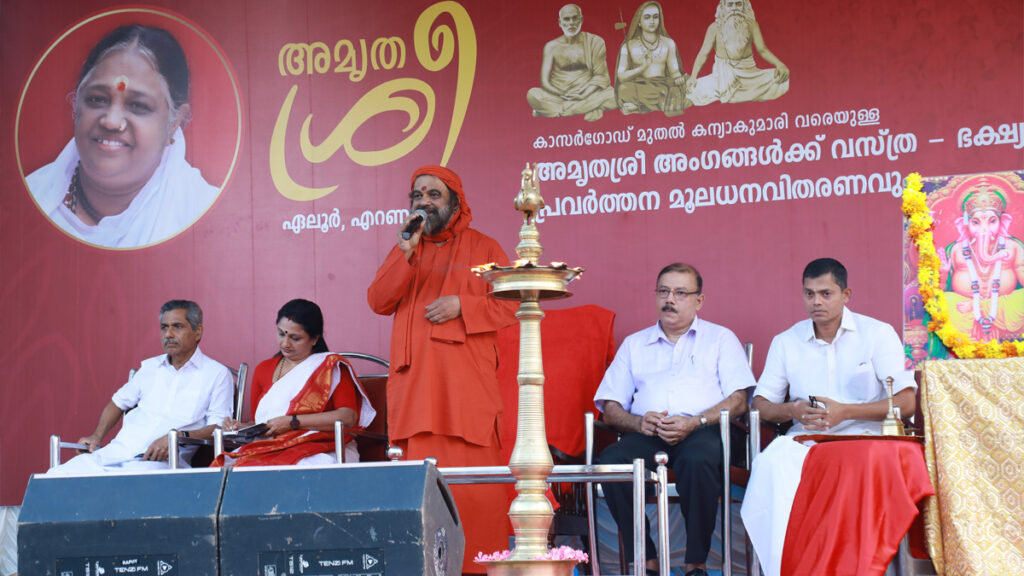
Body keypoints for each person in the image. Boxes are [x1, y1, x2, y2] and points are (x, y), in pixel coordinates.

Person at [367, 165, 517, 574]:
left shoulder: (484, 247)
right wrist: (404, 253)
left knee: (474, 494)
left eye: (434, 194)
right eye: (418, 194)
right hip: (415, 397)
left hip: (466, 397)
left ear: (455, 201)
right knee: (421, 494)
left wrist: (463, 306)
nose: (424, 201)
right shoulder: (406, 249)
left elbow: (512, 304)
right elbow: (378, 301)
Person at [740, 258, 916, 576]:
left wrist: (845, 412)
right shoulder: (786, 341)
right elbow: (761, 404)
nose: (816, 302)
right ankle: (785, 565)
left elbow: (906, 401)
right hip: (804, 439)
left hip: (866, 436)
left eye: (825, 293)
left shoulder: (877, 334)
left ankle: (864, 567)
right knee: (771, 463)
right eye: (809, 294)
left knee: (856, 465)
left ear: (846, 294)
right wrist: (791, 410)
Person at [594, 263, 754, 576]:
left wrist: (695, 422)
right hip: (649, 432)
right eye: (664, 291)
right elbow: (610, 406)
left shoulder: (720, 339)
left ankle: (695, 564)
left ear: (699, 300)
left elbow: (738, 400)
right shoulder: (635, 345)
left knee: (697, 459)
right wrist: (639, 422)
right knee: (612, 461)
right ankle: (646, 560)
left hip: (704, 430)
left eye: (681, 293)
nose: (671, 299)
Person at [26, 25, 219, 248]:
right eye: (97, 99)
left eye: (138, 105)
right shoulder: (24, 202)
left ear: (174, 123)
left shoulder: (206, 217)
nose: (111, 121)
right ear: (76, 104)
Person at [47, 300, 233, 475]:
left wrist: (176, 437)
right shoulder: (149, 368)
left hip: (160, 462)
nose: (168, 334)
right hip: (115, 454)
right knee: (56, 475)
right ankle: (18, 511)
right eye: (164, 328)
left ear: (198, 331)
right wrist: (96, 437)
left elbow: (218, 428)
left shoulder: (216, 373)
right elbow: (117, 403)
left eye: (177, 327)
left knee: (129, 484)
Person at [215, 299, 374, 466]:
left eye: (295, 338)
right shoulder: (263, 369)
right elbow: (263, 422)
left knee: (304, 465)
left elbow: (348, 417)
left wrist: (293, 423)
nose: (285, 343)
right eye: (281, 334)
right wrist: (241, 426)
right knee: (229, 467)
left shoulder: (331, 367)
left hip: (323, 447)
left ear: (314, 339)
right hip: (272, 446)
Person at [943, 174, 1024, 340]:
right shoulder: (957, 250)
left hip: (1004, 309)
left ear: (1003, 222)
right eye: (976, 222)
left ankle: (979, 307)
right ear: (965, 225)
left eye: (992, 221)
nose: (984, 229)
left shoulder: (1013, 247)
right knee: (943, 301)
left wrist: (980, 306)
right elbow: (941, 289)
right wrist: (943, 274)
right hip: (963, 311)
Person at [687, 0, 789, 106]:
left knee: (781, 79)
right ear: (723, 7)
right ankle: (744, 94)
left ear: (744, 6)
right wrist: (693, 76)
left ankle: (743, 94)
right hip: (721, 79)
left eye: (738, 4)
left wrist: (780, 64)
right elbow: (703, 54)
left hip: (749, 75)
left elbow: (762, 49)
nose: (734, 9)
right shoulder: (714, 28)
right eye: (730, 5)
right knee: (694, 89)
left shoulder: (751, 25)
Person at [526, 4, 617, 122]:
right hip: (559, 95)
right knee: (532, 94)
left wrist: (583, 95)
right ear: (560, 22)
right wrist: (562, 93)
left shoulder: (595, 42)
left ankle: (558, 111)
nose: (571, 23)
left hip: (589, 93)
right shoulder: (551, 47)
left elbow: (601, 77)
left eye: (575, 18)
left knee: (618, 94)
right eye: (566, 19)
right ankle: (592, 107)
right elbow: (544, 82)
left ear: (581, 20)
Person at [615, 1, 690, 116]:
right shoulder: (628, 46)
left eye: (655, 17)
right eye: (647, 17)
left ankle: (640, 107)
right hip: (642, 87)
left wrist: (679, 78)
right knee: (623, 89)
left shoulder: (668, 43)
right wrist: (642, 68)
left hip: (664, 85)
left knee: (681, 86)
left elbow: (674, 71)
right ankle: (664, 103)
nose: (652, 21)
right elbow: (621, 76)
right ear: (639, 22)